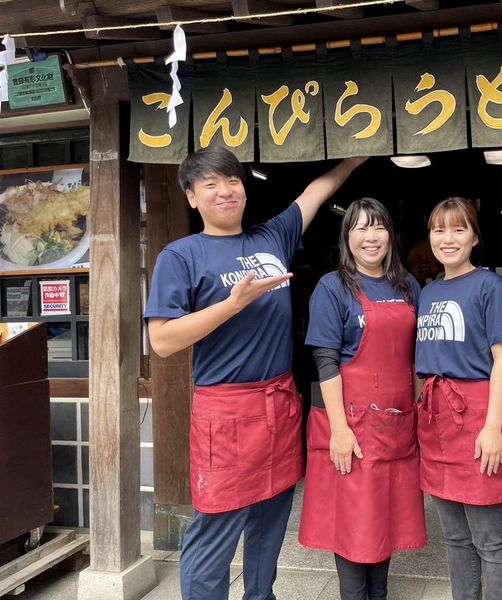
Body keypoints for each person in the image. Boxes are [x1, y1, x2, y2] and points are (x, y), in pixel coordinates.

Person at [144, 146, 365, 600]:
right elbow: (162, 341)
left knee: (271, 517)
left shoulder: (272, 237)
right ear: (191, 197)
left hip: (279, 402)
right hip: (226, 409)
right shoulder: (181, 255)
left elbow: (315, 193)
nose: (225, 191)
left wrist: (355, 159)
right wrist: (231, 304)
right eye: (210, 184)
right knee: (217, 527)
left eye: (232, 181)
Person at [299, 197, 427, 600]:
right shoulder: (332, 287)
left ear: (391, 234)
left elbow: (418, 359)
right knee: (353, 523)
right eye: (360, 228)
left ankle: (380, 594)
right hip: (349, 423)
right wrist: (339, 430)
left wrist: (421, 415)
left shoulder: (408, 285)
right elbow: (325, 360)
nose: (370, 237)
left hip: (395, 420)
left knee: (384, 519)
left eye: (378, 227)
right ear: (347, 236)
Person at [415, 197, 502, 600]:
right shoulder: (427, 293)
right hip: (437, 422)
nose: (448, 238)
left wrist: (493, 427)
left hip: (477, 417)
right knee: (456, 538)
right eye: (439, 230)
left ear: (475, 237)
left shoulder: (491, 287)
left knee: (489, 539)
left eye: (459, 229)